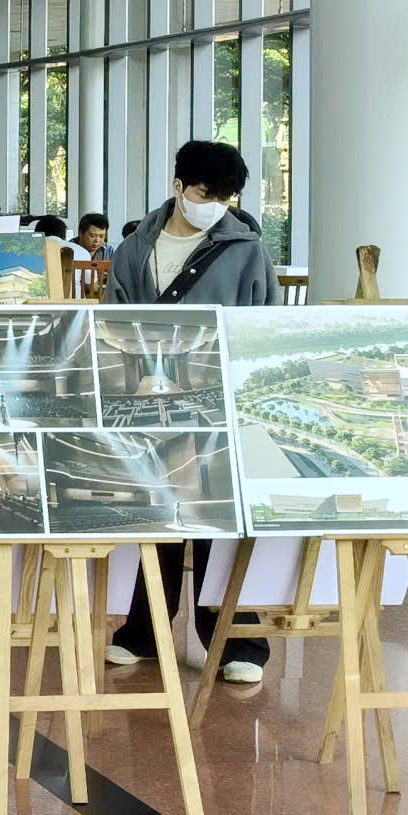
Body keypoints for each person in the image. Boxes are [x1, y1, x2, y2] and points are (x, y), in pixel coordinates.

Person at [102, 140, 277, 685]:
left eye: (226, 197)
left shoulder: (247, 251)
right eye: (206, 193)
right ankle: (143, 631)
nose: (215, 205)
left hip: (216, 407)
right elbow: (113, 322)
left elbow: (264, 328)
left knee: (217, 522)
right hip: (148, 403)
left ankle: (237, 640)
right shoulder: (136, 248)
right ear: (178, 186)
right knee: (158, 515)